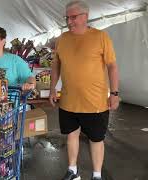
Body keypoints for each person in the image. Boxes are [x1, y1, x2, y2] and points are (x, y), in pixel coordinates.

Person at [49, 1, 119, 180]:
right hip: (68, 101)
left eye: (73, 17)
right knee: (71, 136)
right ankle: (73, 171)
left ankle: (97, 175)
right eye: (67, 18)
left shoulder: (101, 37)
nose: (69, 21)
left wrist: (114, 93)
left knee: (96, 139)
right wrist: (52, 89)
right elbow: (56, 65)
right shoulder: (62, 39)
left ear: (85, 17)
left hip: (95, 102)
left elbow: (112, 66)